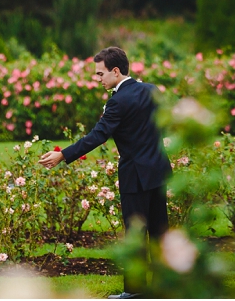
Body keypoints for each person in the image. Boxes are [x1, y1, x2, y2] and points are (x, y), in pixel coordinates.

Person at [39, 46, 171, 299]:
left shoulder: (117, 101)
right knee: (159, 232)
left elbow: (98, 135)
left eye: (100, 74)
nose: (97, 79)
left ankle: (134, 292)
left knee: (134, 234)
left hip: (135, 175)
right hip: (159, 170)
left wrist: (62, 154)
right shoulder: (152, 90)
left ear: (116, 71)